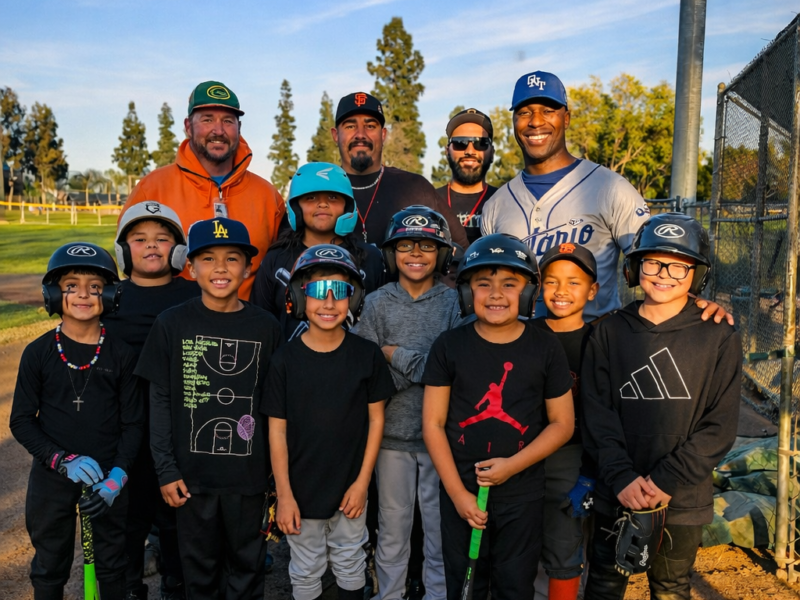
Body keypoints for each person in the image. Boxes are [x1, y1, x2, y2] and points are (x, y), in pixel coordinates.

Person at [581, 213, 741, 600]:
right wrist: (620, 478)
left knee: (670, 588)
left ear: (697, 275)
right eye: (653, 262)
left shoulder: (718, 334)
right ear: (636, 268)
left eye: (680, 266)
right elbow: (595, 414)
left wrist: (665, 480)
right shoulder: (608, 331)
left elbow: (719, 426)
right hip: (617, 489)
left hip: (681, 497)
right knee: (603, 583)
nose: (664, 273)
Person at [135, 217, 282, 600]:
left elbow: (276, 405)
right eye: (208, 259)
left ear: (248, 267)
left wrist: (273, 478)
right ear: (190, 267)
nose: (220, 268)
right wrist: (165, 470)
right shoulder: (172, 323)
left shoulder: (266, 326)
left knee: (247, 568)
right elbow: (160, 400)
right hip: (190, 479)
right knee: (198, 573)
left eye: (232, 258)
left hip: (248, 479)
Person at [421, 233, 575, 600]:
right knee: (465, 584)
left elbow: (562, 423)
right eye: (483, 284)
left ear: (526, 293)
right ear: (465, 292)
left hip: (522, 493)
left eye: (509, 284)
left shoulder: (545, 347)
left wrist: (512, 466)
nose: (495, 294)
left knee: (514, 585)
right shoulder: (449, 345)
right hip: (461, 491)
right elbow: (432, 424)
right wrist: (458, 495)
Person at [10, 242, 143, 600]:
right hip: (52, 478)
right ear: (54, 295)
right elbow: (21, 421)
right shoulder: (37, 353)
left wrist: (118, 476)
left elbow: (134, 425)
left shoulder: (121, 354)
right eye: (70, 285)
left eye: (96, 287)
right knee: (49, 565)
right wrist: (60, 460)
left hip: (107, 478)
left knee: (113, 563)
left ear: (111, 295)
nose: (83, 294)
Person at [264, 245, 395, 600]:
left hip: (349, 487)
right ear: (297, 296)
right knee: (305, 568)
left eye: (340, 292)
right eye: (318, 291)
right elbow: (276, 431)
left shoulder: (366, 356)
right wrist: (285, 495)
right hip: (300, 490)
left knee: (351, 560)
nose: (328, 302)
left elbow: (376, 420)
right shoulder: (283, 361)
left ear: (352, 300)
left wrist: (362, 483)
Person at [352, 206, 461, 600]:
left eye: (427, 246)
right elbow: (367, 372)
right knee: (392, 532)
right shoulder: (378, 304)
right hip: (391, 441)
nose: (416, 253)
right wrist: (415, 365)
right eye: (405, 246)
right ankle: (390, 595)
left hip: (438, 443)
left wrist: (393, 353)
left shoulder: (451, 305)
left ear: (443, 254)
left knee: (436, 532)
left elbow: (447, 371)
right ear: (390, 254)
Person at [104, 201, 200, 600]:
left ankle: (176, 585)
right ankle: (129, 588)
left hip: (178, 434)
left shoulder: (196, 296)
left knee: (179, 525)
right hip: (123, 436)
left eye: (163, 239)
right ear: (124, 250)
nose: (152, 247)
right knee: (128, 522)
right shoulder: (108, 299)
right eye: (139, 239)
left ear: (179, 251)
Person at [120, 80, 285, 300]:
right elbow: (130, 263)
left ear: (239, 128)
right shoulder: (152, 188)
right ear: (188, 126)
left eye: (228, 121)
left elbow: (280, 268)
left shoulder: (267, 195)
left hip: (247, 327)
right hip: (171, 326)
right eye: (207, 119)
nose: (218, 130)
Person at [530, 243, 600, 600]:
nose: (561, 291)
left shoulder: (601, 338)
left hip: (571, 456)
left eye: (574, 282)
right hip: (521, 450)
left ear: (593, 290)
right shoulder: (524, 332)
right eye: (551, 281)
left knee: (564, 544)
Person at [251, 162, 385, 341]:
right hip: (288, 366)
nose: (322, 204)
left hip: (357, 364)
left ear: (347, 206)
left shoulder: (371, 258)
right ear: (296, 207)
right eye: (311, 198)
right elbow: (259, 322)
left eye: (332, 197)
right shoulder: (276, 259)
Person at [332, 92, 469, 249]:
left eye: (370, 126)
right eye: (350, 126)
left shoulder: (415, 188)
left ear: (383, 135)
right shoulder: (319, 192)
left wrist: (440, 273)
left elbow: (460, 248)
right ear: (335, 135)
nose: (361, 135)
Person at [435, 109, 498, 244]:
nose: (470, 151)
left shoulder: (506, 202)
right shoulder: (429, 202)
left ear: (492, 153)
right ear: (447, 151)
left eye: (481, 143)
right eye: (460, 143)